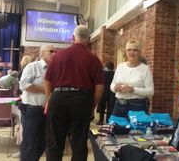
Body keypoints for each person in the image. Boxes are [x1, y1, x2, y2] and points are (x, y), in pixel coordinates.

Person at [44, 25, 104, 161]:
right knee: (79, 143)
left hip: (58, 98)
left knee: (54, 142)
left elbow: (47, 81)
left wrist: (49, 100)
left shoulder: (58, 56)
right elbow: (99, 88)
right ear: (88, 39)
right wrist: (92, 107)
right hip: (82, 100)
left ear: (73, 37)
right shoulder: (94, 59)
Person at [19, 44, 56, 161]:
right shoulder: (32, 67)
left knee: (43, 143)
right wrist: (46, 89)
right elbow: (23, 85)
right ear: (42, 53)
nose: (55, 53)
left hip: (48, 111)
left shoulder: (56, 69)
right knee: (30, 142)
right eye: (51, 51)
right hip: (32, 110)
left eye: (55, 51)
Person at [110, 39, 154, 117]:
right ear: (126, 52)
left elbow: (151, 91)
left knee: (135, 129)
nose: (131, 52)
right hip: (119, 104)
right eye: (129, 50)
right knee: (116, 128)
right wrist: (115, 88)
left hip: (137, 105)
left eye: (135, 50)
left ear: (140, 52)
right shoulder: (120, 66)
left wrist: (133, 90)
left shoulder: (145, 69)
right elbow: (112, 85)